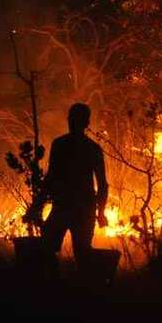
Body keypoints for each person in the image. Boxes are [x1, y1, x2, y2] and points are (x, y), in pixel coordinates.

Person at [39, 103, 108, 266]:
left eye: (74, 119)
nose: (71, 122)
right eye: (71, 118)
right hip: (78, 207)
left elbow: (50, 178)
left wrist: (38, 204)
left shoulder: (61, 144)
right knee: (80, 253)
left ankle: (60, 285)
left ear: (84, 123)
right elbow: (103, 185)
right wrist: (100, 212)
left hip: (68, 206)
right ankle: (70, 285)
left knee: (50, 248)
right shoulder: (92, 148)